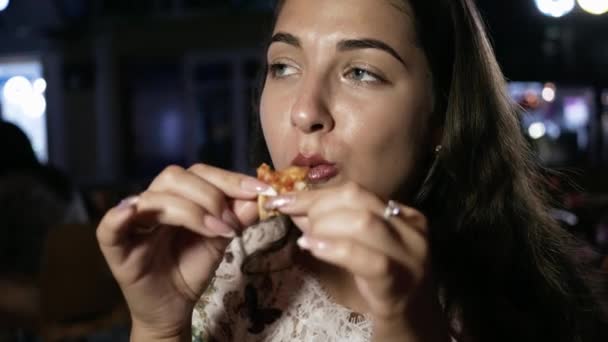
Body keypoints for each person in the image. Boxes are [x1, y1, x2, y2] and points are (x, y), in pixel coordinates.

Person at [96, 0, 608, 341]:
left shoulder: (531, 301)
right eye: (284, 66)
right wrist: (158, 323)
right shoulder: (226, 266)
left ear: (443, 119)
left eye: (360, 71)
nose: (304, 111)